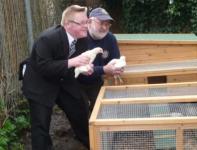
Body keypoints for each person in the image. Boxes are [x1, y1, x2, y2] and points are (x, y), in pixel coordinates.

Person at [21, 5, 92, 150]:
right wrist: (72, 62)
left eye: (87, 22)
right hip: (40, 83)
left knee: (80, 109)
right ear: (67, 24)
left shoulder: (83, 38)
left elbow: (76, 64)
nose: (86, 26)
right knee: (40, 125)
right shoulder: (47, 39)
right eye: (82, 23)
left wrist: (83, 69)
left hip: (63, 80)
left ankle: (92, 143)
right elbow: (43, 67)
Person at [77, 7, 123, 113]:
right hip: (76, 82)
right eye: (101, 23)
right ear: (89, 21)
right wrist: (104, 69)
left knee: (101, 110)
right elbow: (80, 68)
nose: (104, 27)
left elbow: (114, 61)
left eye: (107, 24)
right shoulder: (80, 38)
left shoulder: (110, 39)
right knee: (80, 110)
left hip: (96, 82)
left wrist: (117, 67)